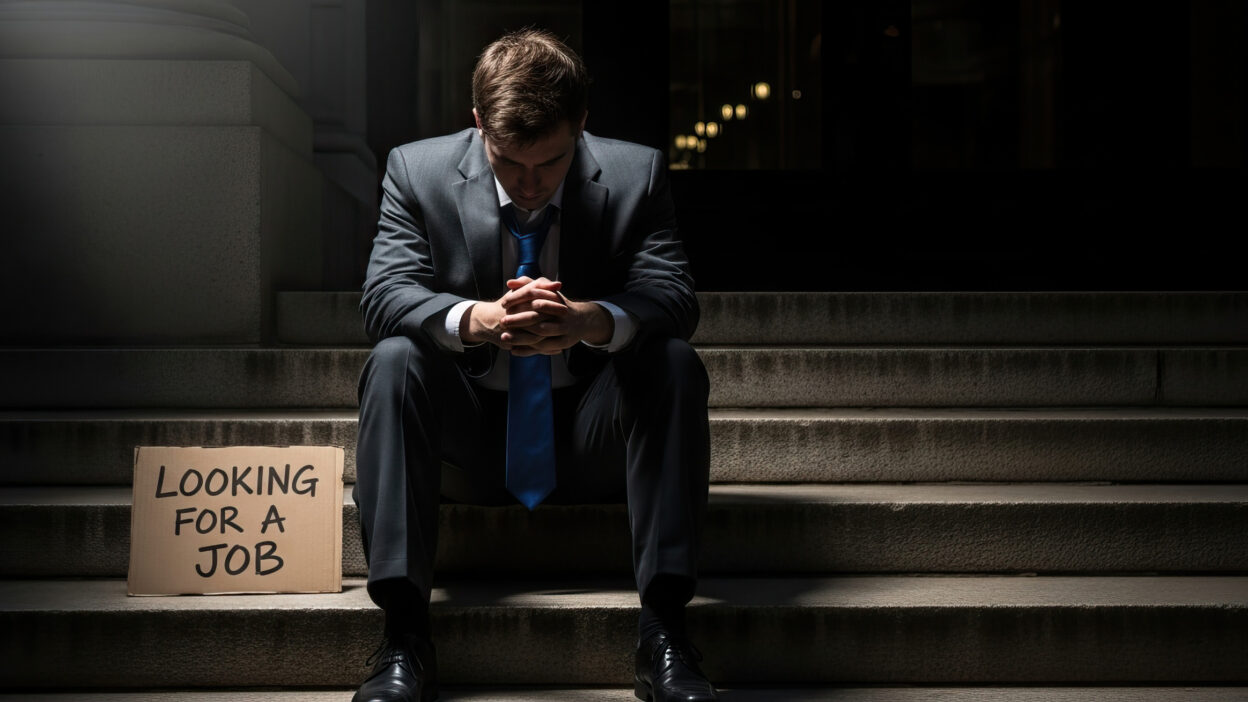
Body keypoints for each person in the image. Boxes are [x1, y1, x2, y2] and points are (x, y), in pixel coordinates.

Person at [352, 28, 715, 702]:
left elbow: (673, 297)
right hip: (467, 438)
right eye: (508, 162)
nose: (527, 186)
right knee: (394, 357)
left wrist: (592, 322)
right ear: (478, 122)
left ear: (581, 124)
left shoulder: (637, 175)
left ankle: (664, 632)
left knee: (672, 361)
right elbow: (385, 294)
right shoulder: (415, 170)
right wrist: (476, 321)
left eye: (547, 166)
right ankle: (403, 634)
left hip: (589, 435)